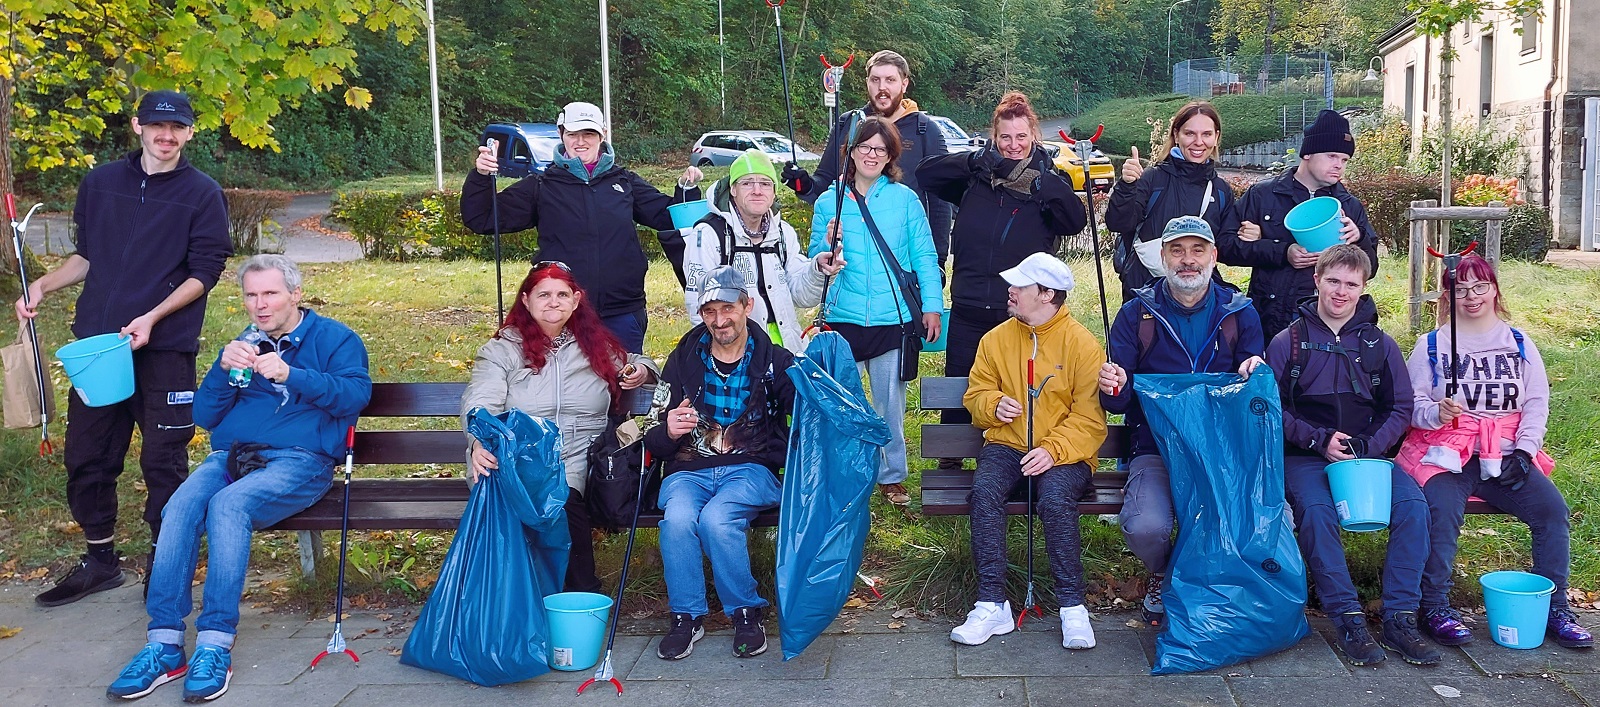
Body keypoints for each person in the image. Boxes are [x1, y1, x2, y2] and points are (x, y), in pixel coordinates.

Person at [105, 256, 371, 702]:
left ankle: (215, 643)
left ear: (295, 294)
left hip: (301, 461)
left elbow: (354, 397)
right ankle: (164, 643)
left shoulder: (335, 339)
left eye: (270, 294)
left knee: (228, 506)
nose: (260, 305)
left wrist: (292, 374)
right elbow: (206, 416)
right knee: (180, 506)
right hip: (232, 455)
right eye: (251, 295)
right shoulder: (244, 343)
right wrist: (225, 372)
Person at [17, 90, 232, 607]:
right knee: (87, 457)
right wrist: (44, 285)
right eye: (157, 125)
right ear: (137, 125)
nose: (166, 135)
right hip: (99, 349)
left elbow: (206, 272)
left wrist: (154, 317)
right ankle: (100, 561)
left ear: (189, 132)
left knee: (164, 461)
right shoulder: (100, 184)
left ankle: (166, 561)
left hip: (166, 347)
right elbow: (85, 258)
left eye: (177, 127)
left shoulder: (203, 193)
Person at [1396, 254, 1592, 650]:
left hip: (1504, 452)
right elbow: (1411, 405)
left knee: (1552, 512)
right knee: (1441, 511)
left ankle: (1555, 608)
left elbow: (1536, 403)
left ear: (1494, 289)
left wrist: (1524, 451)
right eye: (1460, 289)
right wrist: (1436, 412)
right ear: (1447, 296)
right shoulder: (1431, 345)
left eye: (1479, 287)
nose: (1471, 297)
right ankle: (1434, 605)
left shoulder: (1518, 341)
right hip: (1447, 451)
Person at [1263, 245, 1438, 666]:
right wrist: (1318, 440)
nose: (1341, 292)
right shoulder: (1288, 342)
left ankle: (1399, 617)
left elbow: (1399, 407)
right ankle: (1348, 619)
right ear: (1317, 280)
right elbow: (1270, 407)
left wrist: (1367, 447)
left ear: (1363, 288)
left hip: (1368, 455)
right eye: (1334, 281)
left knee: (1414, 506)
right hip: (1304, 456)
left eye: (1351, 284)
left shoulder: (1381, 344)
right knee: (1318, 513)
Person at [1097, 215, 1265, 627]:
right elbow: (1116, 404)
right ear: (1163, 257)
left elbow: (1254, 400)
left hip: (1221, 450)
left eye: (1196, 250)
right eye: (1177, 250)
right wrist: (1113, 384)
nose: (1187, 260)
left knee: (1250, 520)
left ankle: (1211, 581)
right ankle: (1166, 573)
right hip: (1155, 447)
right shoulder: (1136, 315)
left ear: (1214, 255)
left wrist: (1255, 374)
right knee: (1144, 527)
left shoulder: (1240, 313)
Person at [460, 262, 658, 593]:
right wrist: (479, 442)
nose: (554, 302)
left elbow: (643, 363)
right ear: (526, 300)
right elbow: (480, 401)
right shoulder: (504, 349)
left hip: (580, 456)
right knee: (542, 501)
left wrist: (639, 370)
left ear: (577, 300)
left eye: (562, 294)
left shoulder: (594, 346)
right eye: (544, 295)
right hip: (518, 455)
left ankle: (574, 599)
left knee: (563, 501)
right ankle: (545, 596)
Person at [917, 92, 1086, 461]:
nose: (1013, 146)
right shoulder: (976, 178)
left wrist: (1049, 185)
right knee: (963, 381)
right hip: (970, 302)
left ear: (1033, 137)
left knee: (1016, 385)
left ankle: (1014, 455)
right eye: (1005, 138)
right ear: (994, 137)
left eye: (1021, 137)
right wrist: (974, 160)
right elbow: (926, 173)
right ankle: (952, 457)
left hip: (1022, 309)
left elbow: (1075, 220)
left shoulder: (1045, 182)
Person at [952, 253, 1106, 649]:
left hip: (1065, 454)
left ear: (1047, 294)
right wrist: (993, 404)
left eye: (1020, 286)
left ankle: (1073, 609)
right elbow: (976, 394)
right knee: (984, 493)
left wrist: (1054, 450)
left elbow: (1089, 420)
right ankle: (992, 605)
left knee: (1055, 500)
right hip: (1007, 444)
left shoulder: (1082, 345)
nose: (1011, 291)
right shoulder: (996, 338)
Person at [460, 101, 703, 352]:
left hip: (622, 311)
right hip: (561, 313)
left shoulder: (625, 182)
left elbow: (671, 217)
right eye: (573, 134)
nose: (580, 141)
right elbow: (483, 218)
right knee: (562, 387)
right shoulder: (541, 185)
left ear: (603, 135)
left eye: (588, 134)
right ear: (561, 134)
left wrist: (687, 189)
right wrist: (480, 176)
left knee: (623, 384)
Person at [644, 266, 795, 660]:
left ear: (747, 306)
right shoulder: (681, 360)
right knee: (677, 519)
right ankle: (686, 616)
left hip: (751, 468)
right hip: (688, 470)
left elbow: (806, 411)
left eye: (727, 308)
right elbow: (652, 431)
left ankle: (746, 613)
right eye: (709, 311)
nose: (719, 320)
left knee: (717, 518)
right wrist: (670, 430)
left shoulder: (775, 360)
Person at [806, 116, 943, 506]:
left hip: (891, 319)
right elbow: (817, 261)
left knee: (890, 407)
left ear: (890, 156)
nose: (871, 155)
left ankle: (891, 475)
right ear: (850, 152)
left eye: (880, 149)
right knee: (841, 405)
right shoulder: (828, 200)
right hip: (841, 317)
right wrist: (827, 249)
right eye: (864, 147)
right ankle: (841, 474)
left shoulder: (905, 200)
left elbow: (925, 256)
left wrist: (931, 306)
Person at [782, 50, 952, 272]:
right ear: (867, 83)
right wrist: (803, 185)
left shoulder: (925, 131)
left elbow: (941, 202)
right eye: (875, 80)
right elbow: (826, 182)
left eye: (890, 80)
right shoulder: (848, 125)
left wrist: (937, 262)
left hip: (905, 258)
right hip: (853, 259)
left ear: (904, 84)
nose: (882, 88)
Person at [1219, 108, 1377, 340]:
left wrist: (1359, 238)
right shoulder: (1264, 194)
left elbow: (1370, 268)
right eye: (1332, 156)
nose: (1339, 165)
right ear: (1307, 154)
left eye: (1344, 159)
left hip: (1327, 325)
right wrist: (1282, 251)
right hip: (1269, 320)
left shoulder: (1348, 206)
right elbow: (1224, 246)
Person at [681, 149, 843, 352]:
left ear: (774, 192)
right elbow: (698, 307)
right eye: (747, 183)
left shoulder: (783, 233)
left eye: (765, 184)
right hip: (736, 356)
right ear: (733, 189)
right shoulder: (707, 235)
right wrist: (726, 357)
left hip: (786, 352)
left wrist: (819, 270)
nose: (757, 190)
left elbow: (802, 295)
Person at [1104, 101, 1235, 302]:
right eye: (1190, 133)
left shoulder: (1221, 190)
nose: (1198, 142)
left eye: (1206, 134)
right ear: (1176, 135)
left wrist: (1255, 236)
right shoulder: (1152, 179)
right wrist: (1127, 186)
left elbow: (1226, 247)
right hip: (1145, 296)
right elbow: (1118, 223)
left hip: (1198, 299)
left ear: (1216, 137)